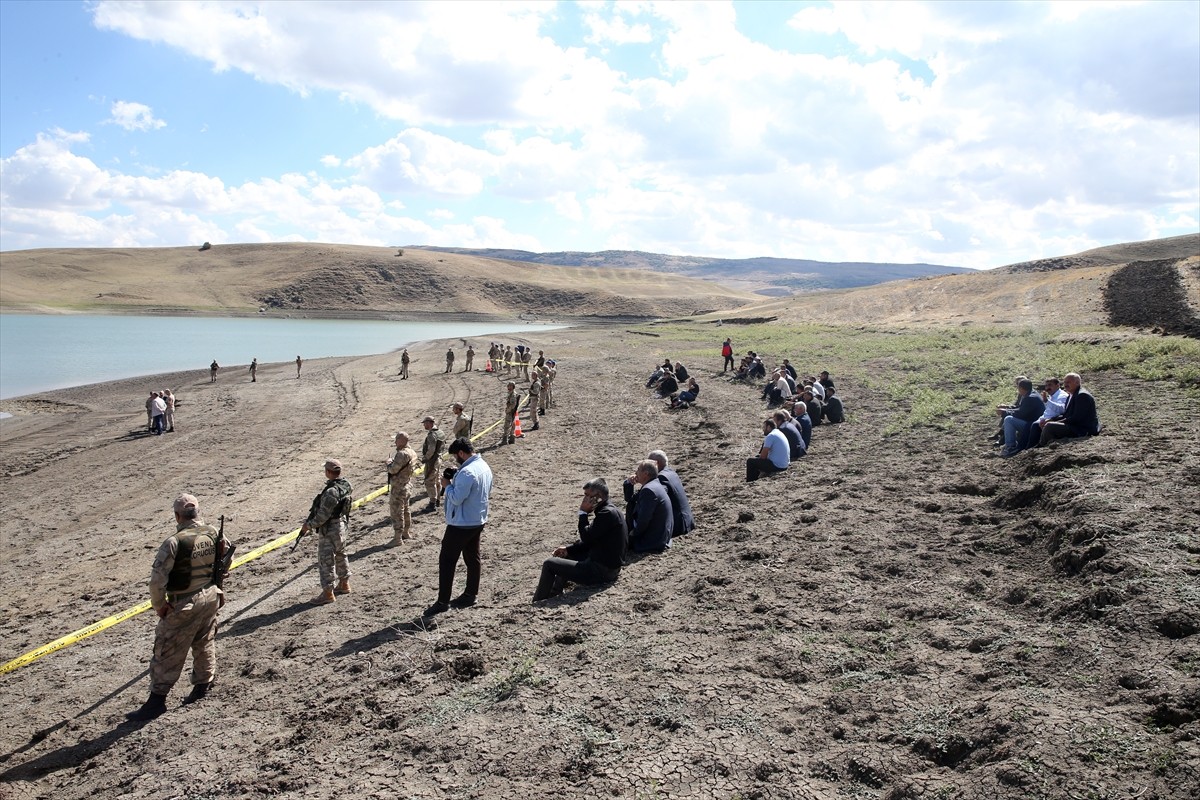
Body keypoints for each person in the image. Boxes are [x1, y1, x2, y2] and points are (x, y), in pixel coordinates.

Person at [126, 493, 229, 721]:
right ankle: (202, 686)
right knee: (204, 642)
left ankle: (156, 701)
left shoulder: (174, 542)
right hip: (211, 596)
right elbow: (226, 558)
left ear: (177, 516)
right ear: (198, 512)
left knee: (167, 650)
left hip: (184, 602)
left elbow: (157, 581)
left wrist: (159, 606)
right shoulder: (213, 533)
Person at [425, 438, 493, 615]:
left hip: (461, 524)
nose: (456, 459)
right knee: (472, 557)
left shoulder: (467, 472)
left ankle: (442, 602)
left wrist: (447, 486)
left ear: (462, 453)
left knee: (447, 561)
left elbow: (456, 498)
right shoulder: (483, 466)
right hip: (477, 519)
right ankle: (471, 594)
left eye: (456, 456)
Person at [532, 478, 629, 602]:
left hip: (602, 572)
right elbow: (591, 540)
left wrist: (583, 513)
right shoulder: (611, 510)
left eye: (588, 495)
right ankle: (554, 592)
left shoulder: (607, 514)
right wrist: (568, 549)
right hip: (608, 567)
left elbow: (586, 536)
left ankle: (538, 601)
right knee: (569, 555)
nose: (585, 499)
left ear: (598, 496)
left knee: (549, 564)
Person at [301, 459, 353, 605]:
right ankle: (344, 584)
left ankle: (328, 593)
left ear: (329, 472)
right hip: (342, 525)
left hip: (330, 529)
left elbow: (323, 516)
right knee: (341, 554)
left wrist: (308, 526)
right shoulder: (346, 485)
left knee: (326, 560)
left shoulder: (331, 491)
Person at [622, 460, 673, 554]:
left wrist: (633, 534)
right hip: (661, 536)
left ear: (646, 474)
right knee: (631, 505)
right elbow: (630, 499)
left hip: (652, 541)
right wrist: (629, 483)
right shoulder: (654, 484)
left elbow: (644, 519)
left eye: (638, 470)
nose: (635, 473)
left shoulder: (648, 490)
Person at [1038, 372, 1101, 447]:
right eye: (1064, 382)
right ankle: (1049, 446)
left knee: (1050, 426)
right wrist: (1050, 420)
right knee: (1047, 423)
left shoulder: (1082, 396)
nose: (1065, 384)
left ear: (1077, 382)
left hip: (1082, 428)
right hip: (1074, 425)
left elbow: (1076, 418)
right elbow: (1066, 415)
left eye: (1068, 382)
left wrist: (1056, 422)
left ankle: (1042, 446)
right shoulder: (1071, 395)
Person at [647, 450, 695, 536]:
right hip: (687, 521)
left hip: (678, 525)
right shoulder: (671, 472)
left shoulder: (661, 477)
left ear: (656, 463)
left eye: (649, 463)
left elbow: (657, 498)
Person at [999, 379, 1045, 457]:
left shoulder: (1030, 398)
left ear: (1021, 388)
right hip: (1033, 422)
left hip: (1033, 425)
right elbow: (1021, 409)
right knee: (1009, 418)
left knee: (1009, 420)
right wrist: (1007, 409)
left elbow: (1021, 413)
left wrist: (1005, 412)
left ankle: (1010, 446)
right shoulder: (1032, 394)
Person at [386, 432, 417, 543]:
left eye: (396, 440)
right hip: (407, 484)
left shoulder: (402, 454)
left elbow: (393, 470)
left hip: (399, 487)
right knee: (406, 510)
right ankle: (406, 532)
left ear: (401, 440)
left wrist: (389, 463)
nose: (395, 442)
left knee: (397, 512)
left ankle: (397, 538)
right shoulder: (412, 452)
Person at [420, 416, 446, 510]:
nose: (424, 425)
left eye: (425, 423)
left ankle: (432, 503)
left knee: (429, 481)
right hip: (439, 459)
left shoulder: (432, 435)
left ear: (429, 423)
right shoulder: (440, 433)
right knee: (437, 480)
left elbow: (431, 450)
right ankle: (438, 500)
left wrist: (425, 458)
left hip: (432, 461)